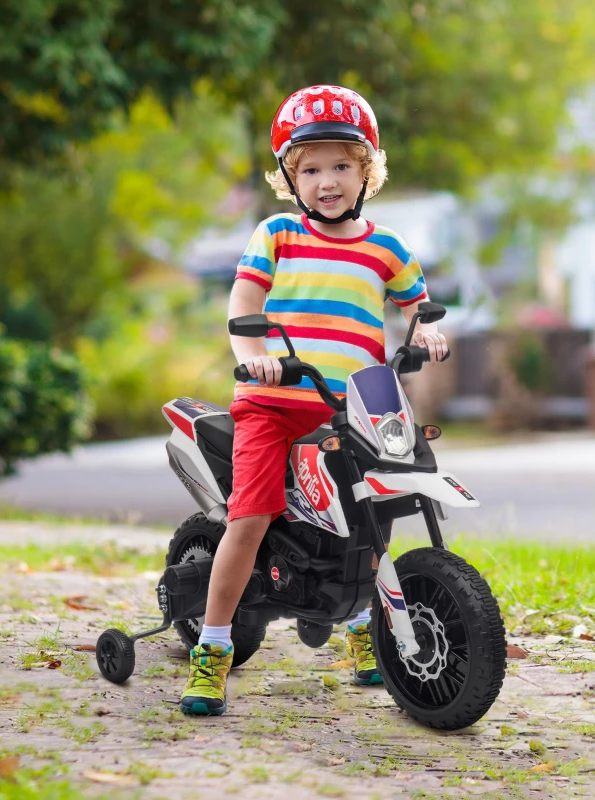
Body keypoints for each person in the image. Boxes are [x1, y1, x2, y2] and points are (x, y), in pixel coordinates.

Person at [179, 85, 448, 716]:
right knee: (250, 518)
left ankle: (363, 628)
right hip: (273, 400)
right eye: (311, 169)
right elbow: (244, 304)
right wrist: (254, 357)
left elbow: (418, 308)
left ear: (367, 172)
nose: (327, 181)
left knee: (368, 514)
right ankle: (213, 647)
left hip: (353, 406)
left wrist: (427, 334)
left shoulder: (387, 246)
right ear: (290, 178)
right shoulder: (276, 233)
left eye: (342, 165)